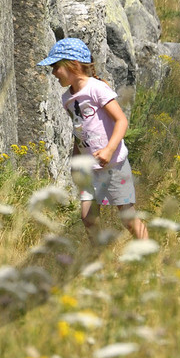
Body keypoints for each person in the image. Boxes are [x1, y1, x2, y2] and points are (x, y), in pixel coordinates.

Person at [37, 37, 149, 242]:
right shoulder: (67, 98)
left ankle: (148, 255)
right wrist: (75, 160)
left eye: (55, 66)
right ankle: (99, 257)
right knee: (88, 219)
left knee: (128, 220)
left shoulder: (97, 88)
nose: (53, 73)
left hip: (114, 165)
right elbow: (79, 131)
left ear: (73, 65)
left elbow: (121, 121)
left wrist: (108, 150)